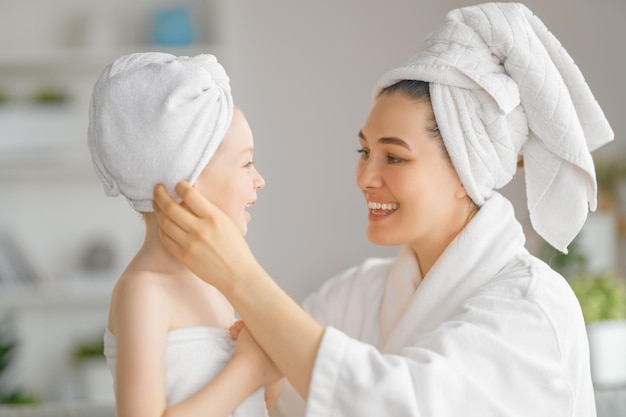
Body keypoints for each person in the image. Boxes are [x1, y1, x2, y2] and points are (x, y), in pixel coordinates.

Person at [152, 3, 615, 416]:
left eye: (393, 157)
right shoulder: (351, 297)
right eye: (363, 152)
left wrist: (241, 277)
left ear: (465, 172)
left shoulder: (532, 307)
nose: (366, 177)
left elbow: (397, 403)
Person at [87, 52, 282, 417]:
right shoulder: (143, 292)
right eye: (246, 163)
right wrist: (248, 371)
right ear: (186, 181)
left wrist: (269, 387)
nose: (259, 180)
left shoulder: (215, 286)